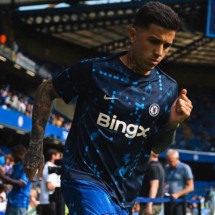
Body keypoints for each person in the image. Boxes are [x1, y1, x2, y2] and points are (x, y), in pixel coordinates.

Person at [23, 2, 193, 214]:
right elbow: (46, 90)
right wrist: (35, 147)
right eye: (153, 41)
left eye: (167, 46)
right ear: (133, 35)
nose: (159, 52)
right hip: (83, 178)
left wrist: (173, 124)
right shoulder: (96, 71)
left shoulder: (167, 89)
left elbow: (157, 147)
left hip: (124, 195)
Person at [0, 144, 32, 215]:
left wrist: (3, 177)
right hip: (11, 200)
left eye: (14, 154)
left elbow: (22, 183)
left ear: (20, 154)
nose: (12, 157)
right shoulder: (16, 166)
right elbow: (8, 180)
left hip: (20, 203)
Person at [164, 149, 194, 215]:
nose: (169, 163)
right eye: (167, 160)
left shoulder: (185, 168)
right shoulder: (166, 168)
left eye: (171, 161)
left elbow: (191, 187)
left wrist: (177, 194)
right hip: (167, 200)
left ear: (177, 158)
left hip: (179, 201)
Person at [137, 151, 165, 215]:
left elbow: (154, 187)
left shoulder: (153, 167)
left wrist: (149, 204)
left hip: (150, 205)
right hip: (153, 203)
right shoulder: (159, 165)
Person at [38, 149, 61, 215]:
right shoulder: (51, 167)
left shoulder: (47, 166)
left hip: (47, 201)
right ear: (53, 156)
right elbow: (50, 186)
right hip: (50, 202)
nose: (60, 158)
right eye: (59, 156)